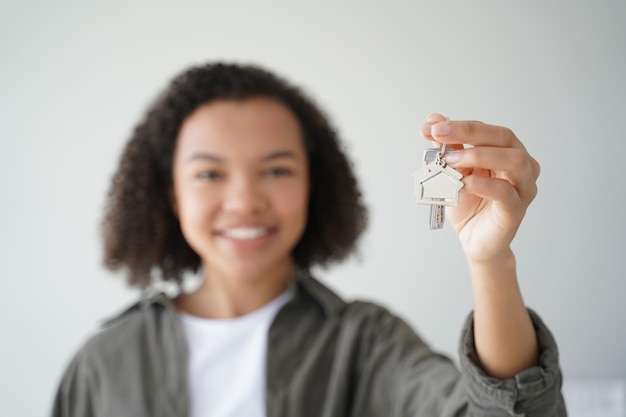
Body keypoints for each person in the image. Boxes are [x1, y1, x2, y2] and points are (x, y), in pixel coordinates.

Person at [51, 62, 566, 416]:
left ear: (312, 186)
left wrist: (490, 261)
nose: (245, 201)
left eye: (276, 171)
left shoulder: (366, 344)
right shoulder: (104, 362)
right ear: (170, 194)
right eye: (210, 174)